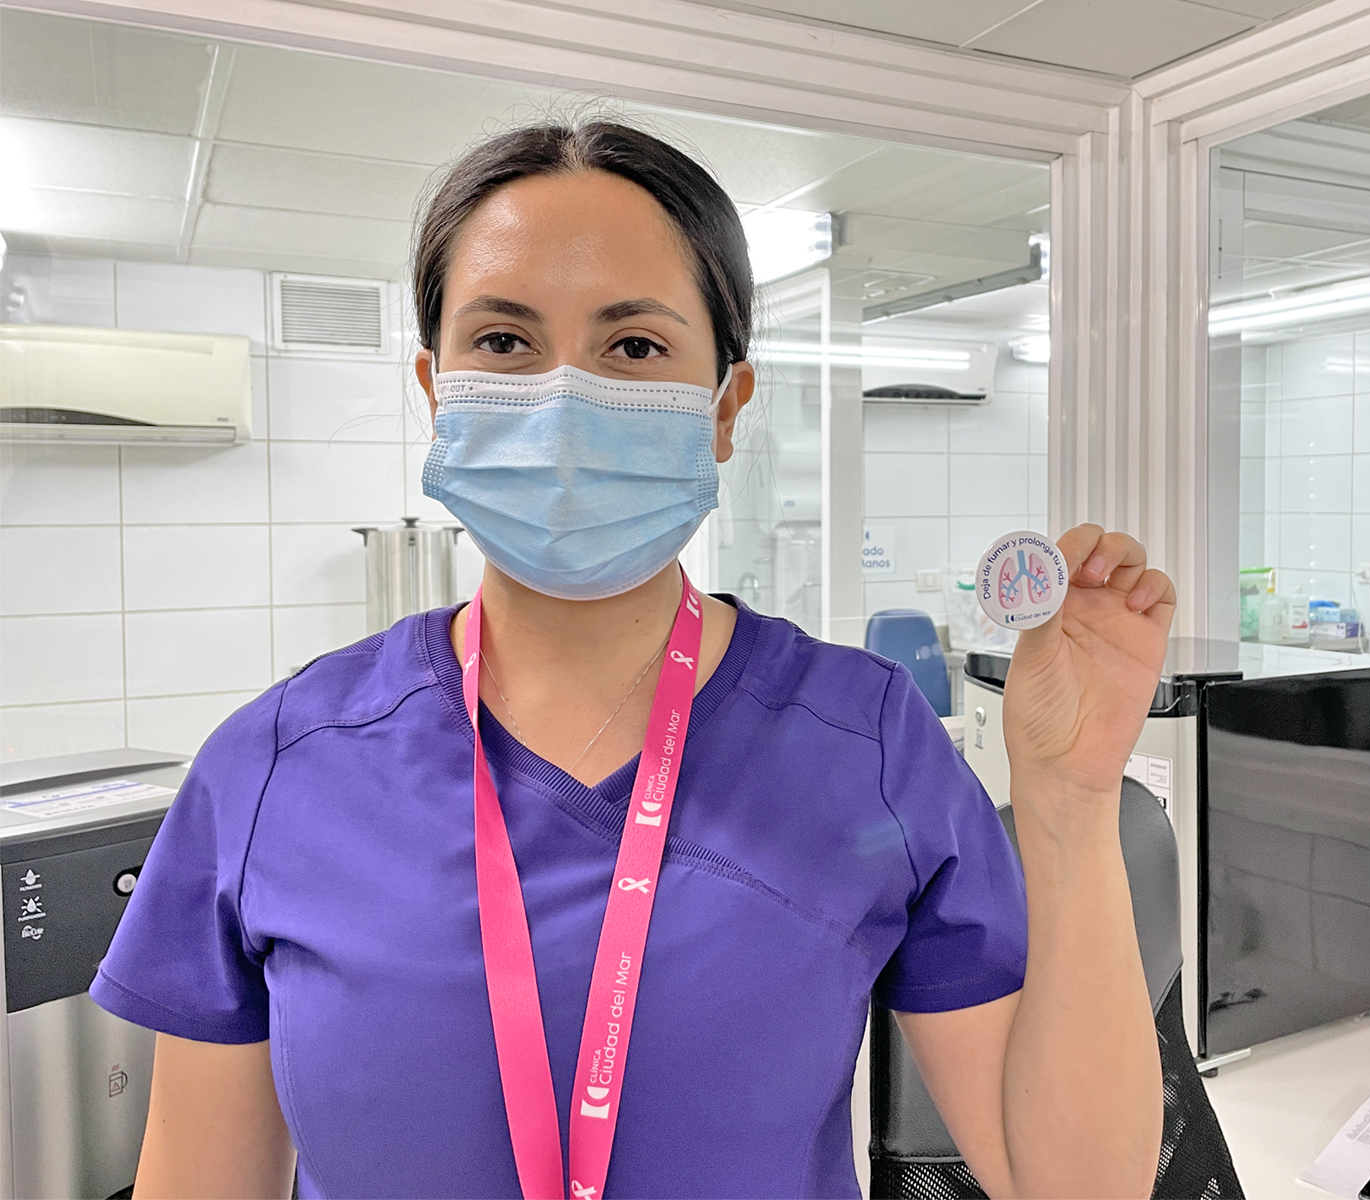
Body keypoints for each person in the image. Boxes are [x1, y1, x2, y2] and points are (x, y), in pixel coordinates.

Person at [93, 120, 1176, 1200]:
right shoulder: (276, 766)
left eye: (635, 347)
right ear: (437, 390)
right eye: (506, 344)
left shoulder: (865, 738)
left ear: (725, 407)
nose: (565, 397)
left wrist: (1070, 802)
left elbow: (1074, 1188)